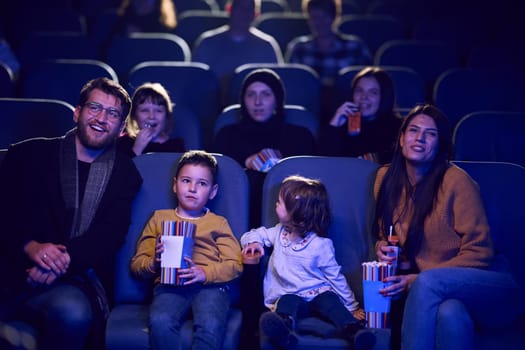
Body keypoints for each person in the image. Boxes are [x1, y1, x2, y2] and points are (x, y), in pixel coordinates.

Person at [0, 77, 143, 349]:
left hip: (71, 279)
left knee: (72, 312)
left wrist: (59, 262)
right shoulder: (27, 154)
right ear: (78, 112)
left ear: (122, 128)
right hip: (11, 268)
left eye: (112, 113)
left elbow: (109, 235)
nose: (102, 118)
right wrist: (31, 247)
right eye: (95, 108)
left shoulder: (125, 174)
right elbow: (4, 213)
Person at [372, 104, 522, 350]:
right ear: (401, 139)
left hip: (490, 284)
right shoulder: (385, 179)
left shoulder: (456, 182)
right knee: (450, 314)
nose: (420, 138)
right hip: (445, 295)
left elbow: (480, 253)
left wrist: (418, 280)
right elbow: (385, 232)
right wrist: (382, 246)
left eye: (430, 134)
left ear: (441, 144)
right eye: (413, 130)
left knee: (427, 283)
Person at [130, 150, 243, 350]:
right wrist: (154, 262)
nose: (192, 188)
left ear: (213, 191)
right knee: (160, 321)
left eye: (202, 183)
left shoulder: (218, 223)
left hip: (210, 287)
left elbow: (235, 264)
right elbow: (137, 265)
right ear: (175, 185)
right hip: (169, 285)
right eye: (186, 181)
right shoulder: (159, 218)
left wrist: (205, 273)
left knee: (210, 324)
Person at [241, 175, 366, 349]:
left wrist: (351, 306)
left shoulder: (320, 245)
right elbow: (255, 233)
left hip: (318, 292)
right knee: (286, 302)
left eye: (280, 202)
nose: (276, 204)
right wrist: (254, 242)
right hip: (290, 293)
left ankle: (355, 331)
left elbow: (335, 277)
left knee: (331, 301)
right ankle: (283, 333)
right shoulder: (279, 232)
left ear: (298, 215)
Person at [210, 68, 316, 227]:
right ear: (243, 100)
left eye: (266, 94)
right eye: (251, 94)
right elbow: (212, 175)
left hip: (291, 218)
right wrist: (245, 163)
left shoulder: (299, 135)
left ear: (277, 100)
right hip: (236, 216)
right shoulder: (227, 134)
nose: (257, 102)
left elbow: (312, 180)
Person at [192, 0, 283, 105]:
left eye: (249, 9)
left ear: (256, 14)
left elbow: (275, 86)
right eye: (239, 8)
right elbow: (197, 83)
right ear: (229, 9)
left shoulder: (267, 45)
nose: (243, 13)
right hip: (213, 105)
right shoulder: (207, 42)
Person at [317, 66, 403, 164]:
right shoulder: (343, 122)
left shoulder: (398, 128)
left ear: (384, 96)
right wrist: (334, 125)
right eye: (359, 90)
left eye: (373, 92)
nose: (364, 97)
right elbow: (322, 162)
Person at [285, 0, 372, 88]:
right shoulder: (299, 48)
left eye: (324, 17)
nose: (319, 22)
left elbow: (369, 82)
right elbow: (292, 84)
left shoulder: (355, 47)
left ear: (335, 16)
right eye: (314, 17)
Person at [117, 82, 185, 157]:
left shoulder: (176, 147)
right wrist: (137, 149)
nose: (151, 116)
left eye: (158, 111)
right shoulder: (124, 143)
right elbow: (122, 168)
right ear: (134, 115)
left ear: (166, 115)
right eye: (145, 110)